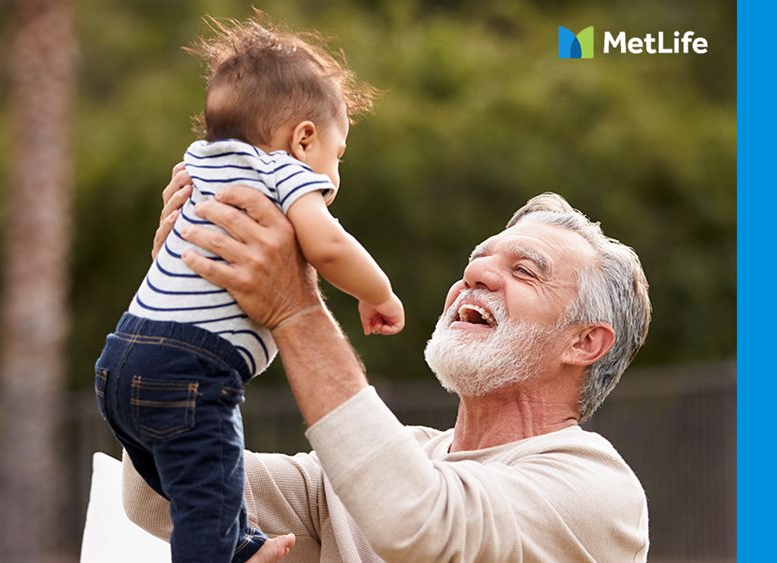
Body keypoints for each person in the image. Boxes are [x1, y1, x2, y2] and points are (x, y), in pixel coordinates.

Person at [121, 175, 652, 562]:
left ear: (584, 342)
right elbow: (159, 492)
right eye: (477, 260)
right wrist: (183, 306)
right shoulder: (390, 461)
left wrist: (294, 307)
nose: (475, 275)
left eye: (525, 270)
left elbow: (418, 521)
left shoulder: (597, 488)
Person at [94, 15, 403, 563]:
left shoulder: (200, 163)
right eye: (338, 155)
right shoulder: (284, 173)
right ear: (304, 139)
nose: (335, 173)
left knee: (200, 486)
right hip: (191, 371)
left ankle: (237, 545)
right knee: (205, 502)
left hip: (120, 360)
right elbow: (330, 247)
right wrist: (377, 293)